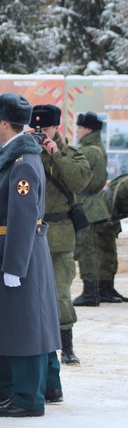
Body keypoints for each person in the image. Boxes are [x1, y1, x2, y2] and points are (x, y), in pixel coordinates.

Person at [0, 93, 62, 418]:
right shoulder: (10, 156)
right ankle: (12, 387)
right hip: (11, 250)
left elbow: (22, 216)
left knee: (26, 325)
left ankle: (29, 398)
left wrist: (14, 265)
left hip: (21, 253)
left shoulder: (23, 163)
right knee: (14, 322)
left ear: (4, 123)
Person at [31, 105, 91, 365]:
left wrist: (56, 154)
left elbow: (79, 181)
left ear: (56, 128)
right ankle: (36, 346)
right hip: (32, 233)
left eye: (45, 129)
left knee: (60, 294)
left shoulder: (70, 155)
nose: (41, 134)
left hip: (60, 236)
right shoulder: (27, 152)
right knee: (30, 295)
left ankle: (66, 345)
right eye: (37, 129)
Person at [73, 112, 123, 305]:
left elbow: (81, 179)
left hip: (88, 207)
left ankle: (91, 292)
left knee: (88, 251)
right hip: (97, 206)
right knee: (103, 250)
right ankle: (104, 289)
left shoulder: (88, 151)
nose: (77, 131)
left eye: (79, 128)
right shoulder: (97, 148)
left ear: (88, 129)